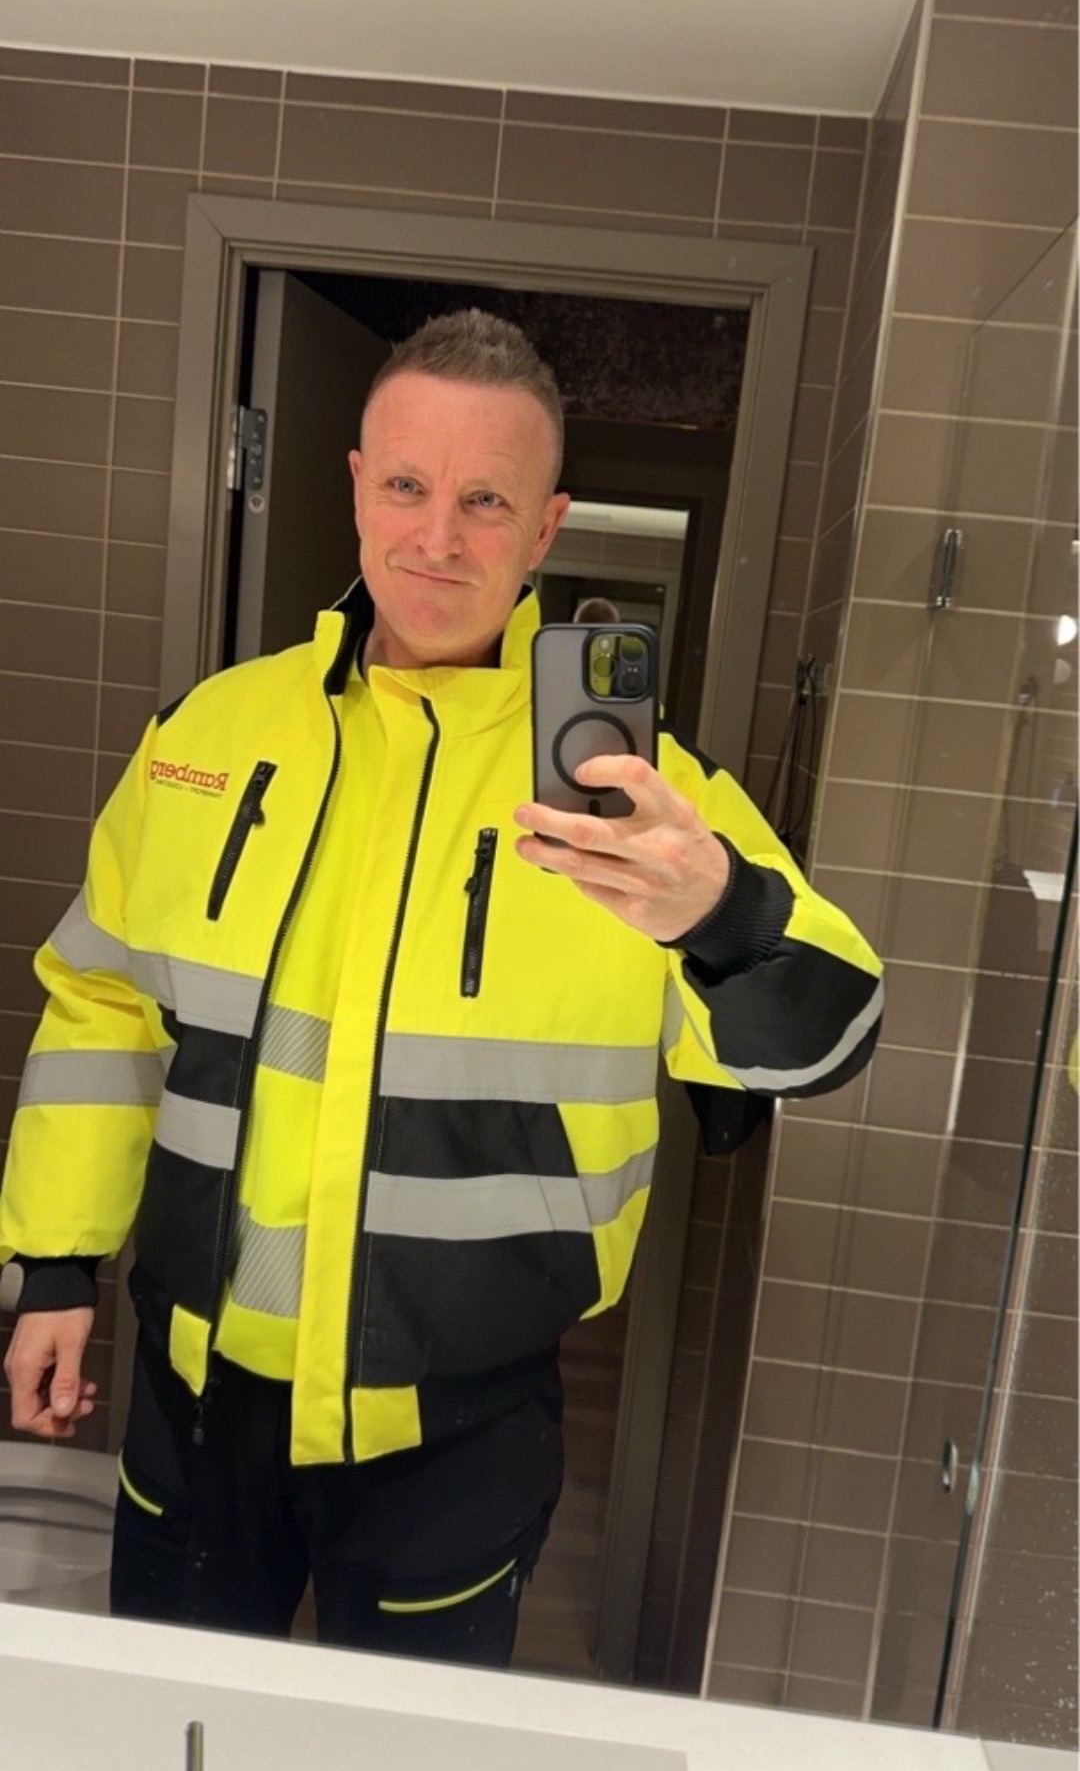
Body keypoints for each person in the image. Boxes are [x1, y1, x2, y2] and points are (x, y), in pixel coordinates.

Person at [0, 309, 883, 1667]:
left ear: (546, 528)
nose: (438, 537)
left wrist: (722, 915)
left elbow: (835, 1034)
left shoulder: (648, 805)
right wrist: (59, 1265)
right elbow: (101, 1007)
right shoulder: (207, 738)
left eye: (486, 501)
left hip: (458, 1435)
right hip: (193, 1395)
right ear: (358, 485)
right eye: (409, 485)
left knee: (407, 1770)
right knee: (175, 1745)